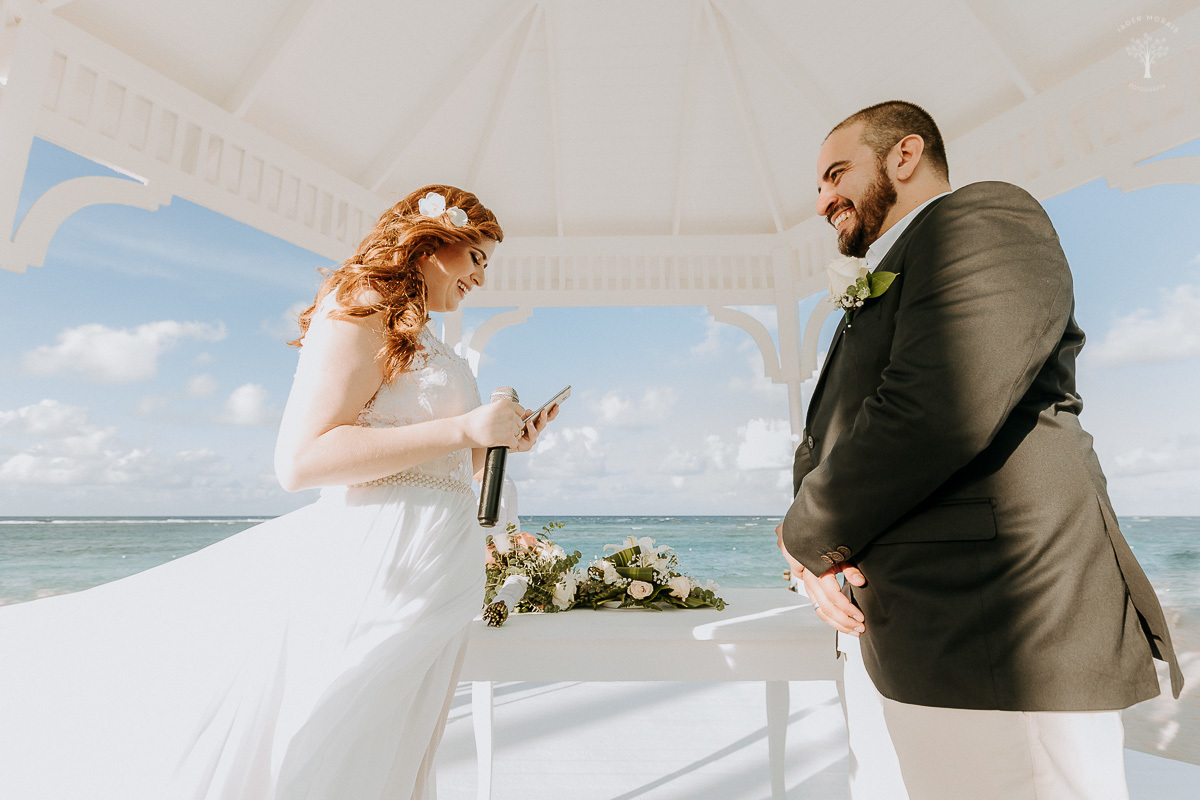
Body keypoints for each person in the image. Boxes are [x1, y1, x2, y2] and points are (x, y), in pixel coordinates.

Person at [0, 184, 556, 799]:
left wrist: (494, 442)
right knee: (339, 749)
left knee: (397, 760)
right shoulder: (360, 304)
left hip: (437, 571)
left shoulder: (426, 337)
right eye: (476, 257)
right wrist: (461, 426)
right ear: (431, 245)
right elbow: (302, 460)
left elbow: (431, 460)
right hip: (381, 568)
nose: (481, 277)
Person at [775, 102, 1182, 799]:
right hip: (905, 637)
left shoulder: (987, 218)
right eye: (818, 184)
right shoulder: (898, 267)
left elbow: (936, 410)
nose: (822, 200)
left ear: (905, 156)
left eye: (836, 174)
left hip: (999, 630)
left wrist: (801, 535)